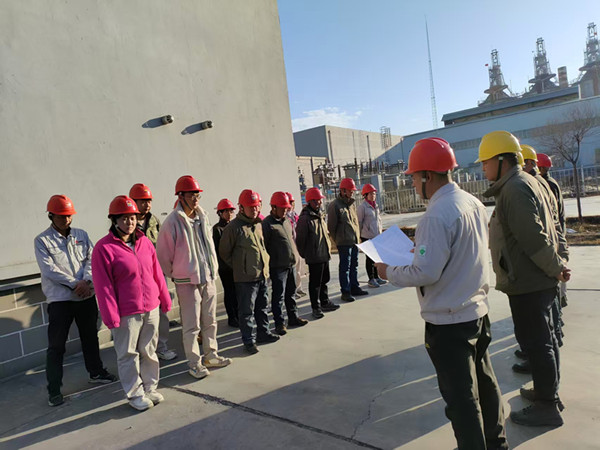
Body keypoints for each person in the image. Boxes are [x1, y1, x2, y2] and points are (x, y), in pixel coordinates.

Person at [374, 138, 508, 450]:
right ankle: (496, 442)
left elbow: (426, 273)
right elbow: (456, 253)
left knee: (461, 398)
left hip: (449, 323)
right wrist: (421, 252)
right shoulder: (471, 202)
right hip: (477, 312)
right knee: (485, 383)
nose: (411, 183)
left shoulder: (436, 215)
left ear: (427, 176)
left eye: (413, 177)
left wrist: (387, 271)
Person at [478, 130, 569, 427]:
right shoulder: (526, 182)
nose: (483, 168)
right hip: (535, 279)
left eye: (486, 162)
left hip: (529, 281)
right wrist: (557, 266)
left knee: (537, 343)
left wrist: (556, 267)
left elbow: (533, 237)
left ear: (502, 161)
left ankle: (547, 406)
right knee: (543, 341)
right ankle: (547, 392)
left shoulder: (515, 188)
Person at [35, 195, 117, 407]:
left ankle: (96, 372)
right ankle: (54, 390)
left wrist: (86, 281)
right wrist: (76, 284)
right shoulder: (42, 241)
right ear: (51, 216)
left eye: (69, 216)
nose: (66, 220)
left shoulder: (81, 235)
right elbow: (49, 270)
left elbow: (92, 259)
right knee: (56, 346)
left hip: (86, 296)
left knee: (90, 337)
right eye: (61, 216)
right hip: (60, 300)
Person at [92, 196, 171, 411]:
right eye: (124, 218)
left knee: (149, 351)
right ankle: (135, 394)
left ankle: (150, 388)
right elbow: (103, 286)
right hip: (127, 312)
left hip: (151, 308)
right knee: (128, 354)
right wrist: (110, 316)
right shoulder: (104, 248)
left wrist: (164, 298)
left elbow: (157, 273)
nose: (130, 222)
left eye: (133, 218)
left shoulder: (145, 242)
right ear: (114, 220)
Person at [156, 175, 231, 380]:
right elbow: (163, 255)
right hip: (187, 282)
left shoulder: (203, 216)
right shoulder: (172, 222)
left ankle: (211, 356)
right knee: (191, 326)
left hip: (207, 277)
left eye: (198, 195)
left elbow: (209, 246)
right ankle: (194, 363)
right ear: (181, 196)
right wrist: (179, 274)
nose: (196, 199)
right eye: (192, 195)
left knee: (211, 320)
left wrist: (212, 269)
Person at [219, 189, 279, 354]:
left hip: (261, 275)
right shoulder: (233, 228)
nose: (254, 209)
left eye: (256, 206)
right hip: (245, 279)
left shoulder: (258, 224)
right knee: (246, 311)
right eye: (251, 206)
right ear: (241, 207)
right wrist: (241, 266)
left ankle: (263, 333)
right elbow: (224, 252)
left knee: (262, 307)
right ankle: (248, 341)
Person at [129, 183, 177, 361]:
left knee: (161, 312)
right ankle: (141, 351)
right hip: (136, 277)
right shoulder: (128, 222)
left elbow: (163, 244)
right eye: (143, 201)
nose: (147, 204)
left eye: (149, 201)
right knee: (138, 317)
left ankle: (161, 347)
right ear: (134, 202)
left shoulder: (154, 221)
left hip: (156, 273)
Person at [262, 192, 309, 335]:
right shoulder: (267, 224)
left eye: (286, 208)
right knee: (279, 296)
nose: (285, 211)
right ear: (274, 207)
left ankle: (293, 318)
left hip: (290, 265)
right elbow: (265, 247)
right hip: (278, 267)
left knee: (291, 293)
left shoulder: (286, 221)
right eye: (282, 208)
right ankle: (279, 323)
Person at [296, 187, 340, 319]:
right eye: (317, 200)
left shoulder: (320, 214)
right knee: (315, 283)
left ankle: (325, 302)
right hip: (314, 256)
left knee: (324, 280)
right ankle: (315, 307)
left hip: (324, 254)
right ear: (310, 201)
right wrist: (306, 254)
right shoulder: (305, 219)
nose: (320, 203)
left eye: (320, 200)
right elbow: (300, 240)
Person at [327, 178, 368, 302]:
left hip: (354, 241)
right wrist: (339, 240)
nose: (352, 192)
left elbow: (355, 223)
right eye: (350, 190)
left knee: (354, 266)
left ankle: (354, 287)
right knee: (345, 267)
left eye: (353, 190)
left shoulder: (351, 205)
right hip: (344, 242)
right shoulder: (335, 205)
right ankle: (345, 291)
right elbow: (331, 227)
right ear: (343, 191)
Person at [212, 198, 239, 328]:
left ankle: (238, 315)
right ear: (220, 213)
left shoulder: (234, 226)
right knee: (229, 292)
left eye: (231, 211)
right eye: (226, 211)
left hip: (236, 266)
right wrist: (227, 264)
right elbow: (219, 250)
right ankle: (232, 317)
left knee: (237, 292)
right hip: (225, 268)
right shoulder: (217, 229)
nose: (229, 214)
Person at [356, 183, 387, 288]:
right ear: (365, 195)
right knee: (369, 258)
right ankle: (371, 278)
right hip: (367, 236)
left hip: (376, 236)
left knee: (376, 258)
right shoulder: (362, 207)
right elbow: (359, 222)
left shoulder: (375, 206)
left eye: (374, 194)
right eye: (371, 194)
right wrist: (360, 236)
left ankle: (377, 277)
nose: (373, 196)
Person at [285, 192, 307, 299]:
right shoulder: (284, 217)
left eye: (292, 202)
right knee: (292, 270)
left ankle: (298, 288)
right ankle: (293, 291)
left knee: (298, 268)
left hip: (297, 245)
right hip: (290, 247)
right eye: (289, 203)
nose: (290, 205)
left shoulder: (295, 215)